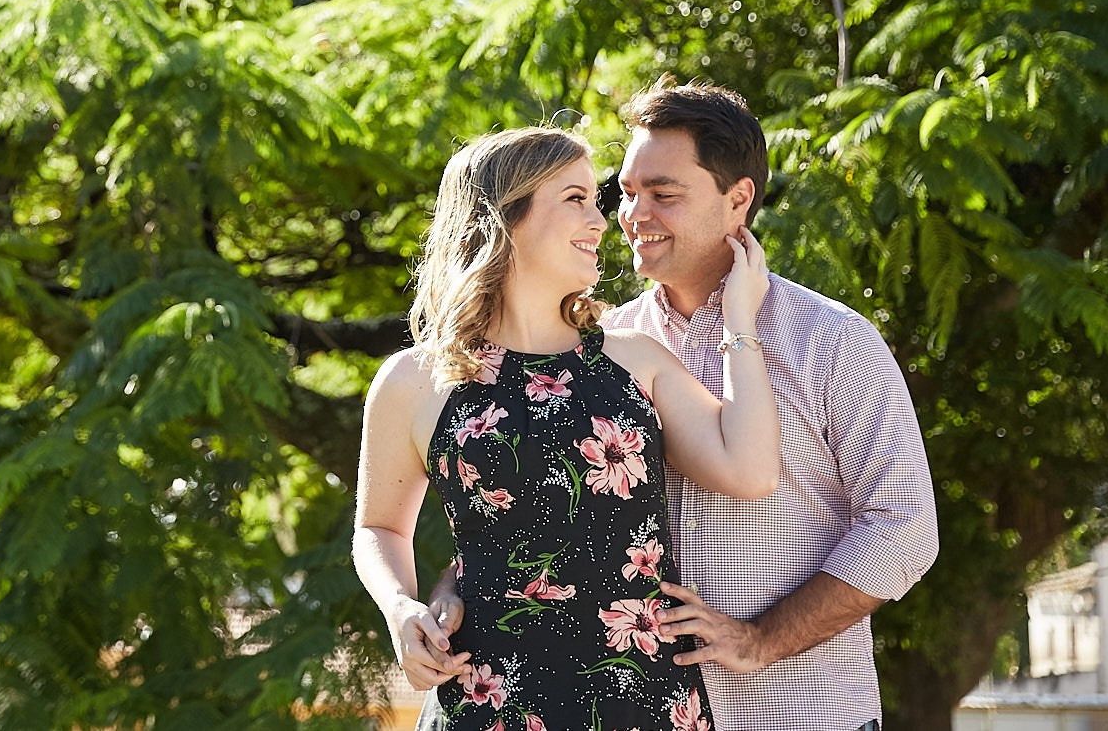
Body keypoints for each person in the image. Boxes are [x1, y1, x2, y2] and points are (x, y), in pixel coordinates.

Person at [354, 125, 781, 730]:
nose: (603, 222)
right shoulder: (414, 380)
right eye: (576, 199)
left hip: (642, 700)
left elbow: (752, 470)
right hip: (486, 700)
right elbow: (378, 526)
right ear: (505, 218)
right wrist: (401, 608)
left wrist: (741, 319)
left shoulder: (637, 360)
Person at [599, 80, 937, 730]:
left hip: (805, 715)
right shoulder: (604, 348)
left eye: (663, 193)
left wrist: (761, 639)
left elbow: (904, 526)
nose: (633, 212)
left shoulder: (833, 341)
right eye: (627, 191)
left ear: (739, 200)